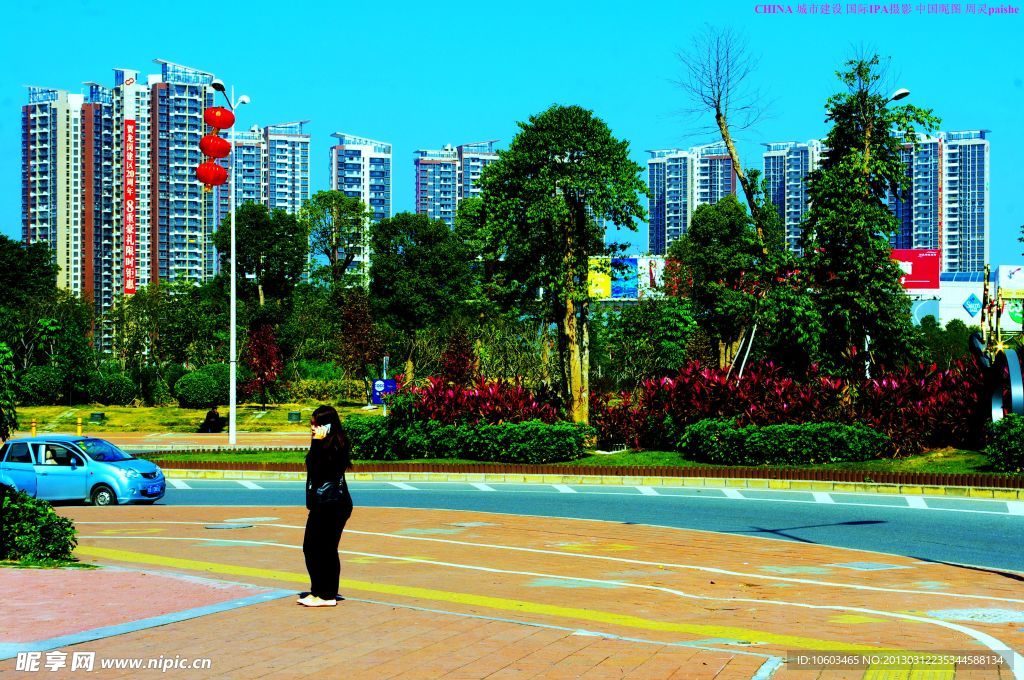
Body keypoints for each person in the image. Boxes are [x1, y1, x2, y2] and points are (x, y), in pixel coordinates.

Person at [298, 405, 354, 607]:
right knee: (311, 547)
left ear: (327, 426)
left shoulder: (337, 446)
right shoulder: (321, 445)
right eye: (311, 424)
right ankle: (318, 590)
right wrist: (317, 444)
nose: (312, 428)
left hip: (334, 504)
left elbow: (321, 471)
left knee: (327, 549)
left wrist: (317, 445)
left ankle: (328, 595)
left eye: (316, 424)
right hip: (321, 504)